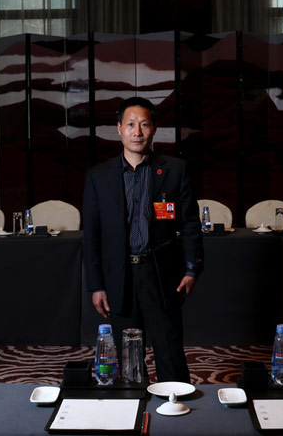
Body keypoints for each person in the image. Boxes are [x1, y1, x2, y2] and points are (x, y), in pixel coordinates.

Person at [82, 96, 203, 383]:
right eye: (131, 124)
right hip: (119, 276)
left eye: (144, 125)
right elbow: (93, 235)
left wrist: (191, 269)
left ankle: (177, 409)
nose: (137, 132)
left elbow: (189, 225)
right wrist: (97, 285)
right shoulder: (98, 177)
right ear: (119, 129)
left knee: (169, 349)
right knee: (129, 353)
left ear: (154, 129)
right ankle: (134, 409)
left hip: (162, 274)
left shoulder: (175, 170)